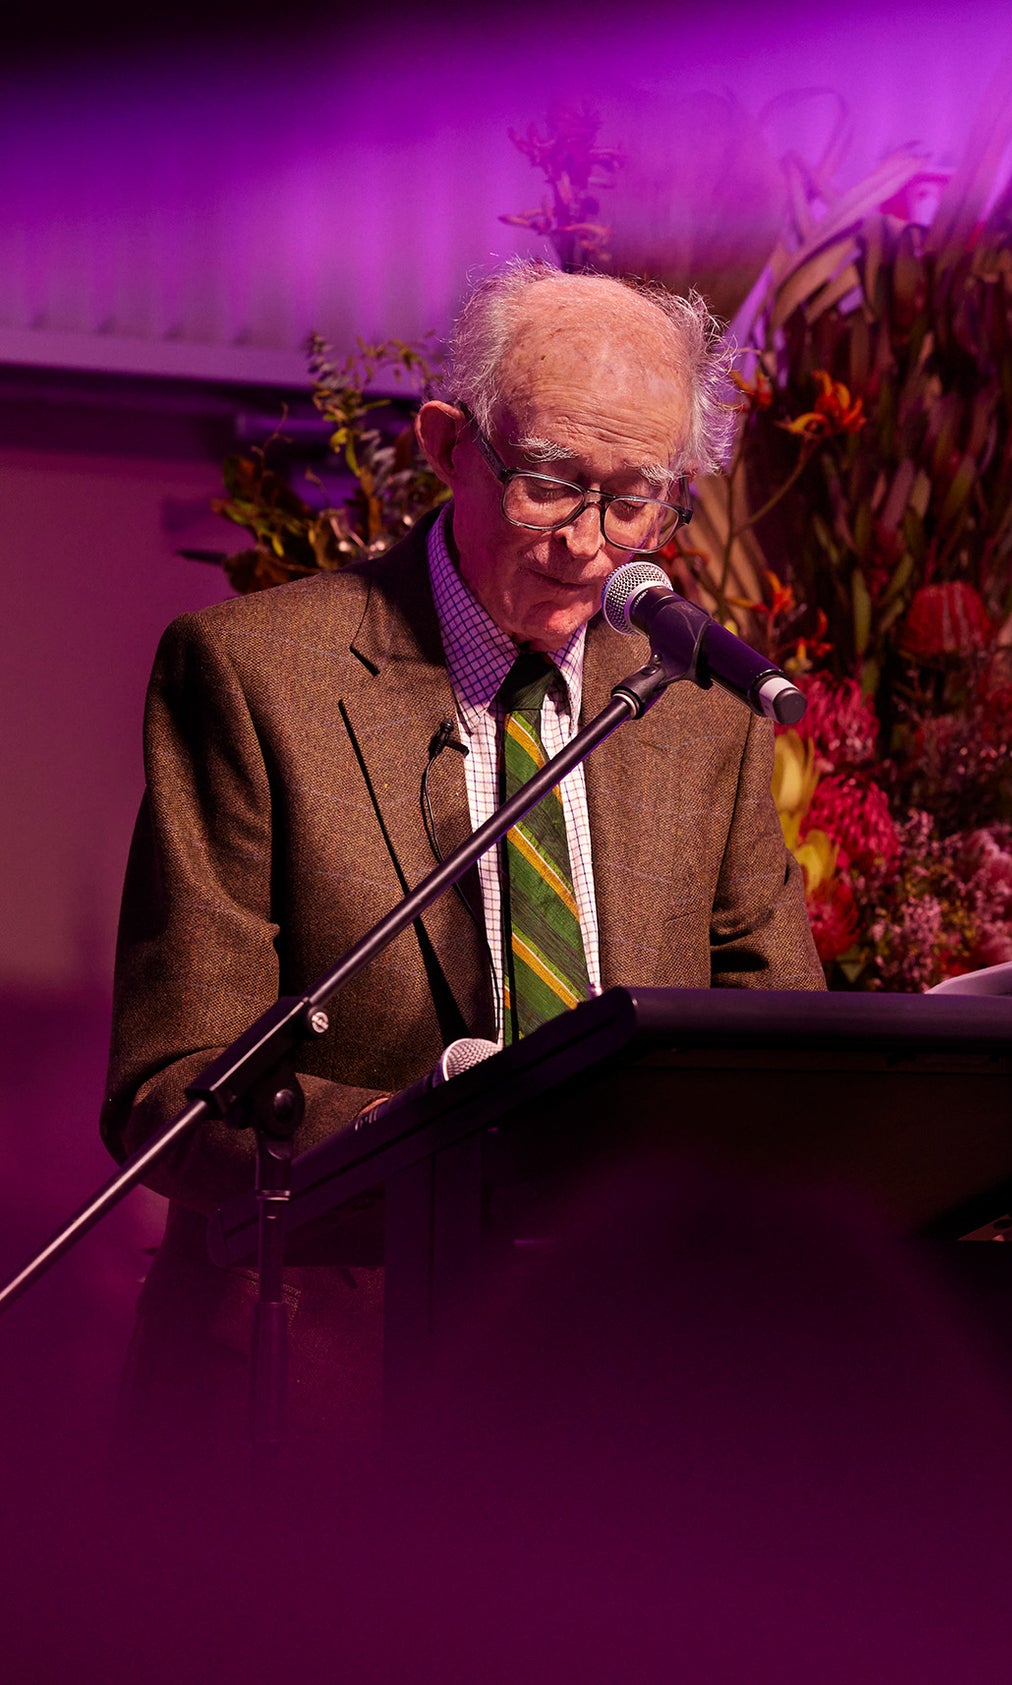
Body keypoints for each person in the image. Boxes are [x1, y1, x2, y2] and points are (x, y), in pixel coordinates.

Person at [101, 261, 823, 1453]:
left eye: (639, 498)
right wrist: (426, 1135)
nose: (593, 545)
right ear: (448, 444)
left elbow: (782, 1053)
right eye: (552, 485)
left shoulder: (702, 718)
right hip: (324, 1392)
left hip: (623, 1392)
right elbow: (169, 1086)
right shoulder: (255, 675)